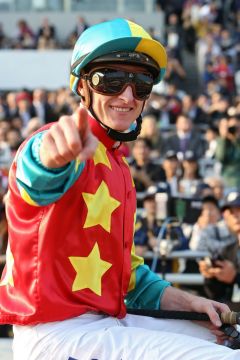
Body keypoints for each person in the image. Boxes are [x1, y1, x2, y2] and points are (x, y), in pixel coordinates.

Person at [0, 18, 239, 360]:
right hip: (57, 335)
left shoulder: (119, 165)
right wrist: (50, 157)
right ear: (83, 87)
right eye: (110, 80)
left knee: (231, 339)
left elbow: (128, 277)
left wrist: (189, 302)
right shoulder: (55, 142)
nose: (127, 96)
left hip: (104, 323)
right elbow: (36, 177)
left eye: (140, 84)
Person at [190, 195, 238, 301]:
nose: (235, 216)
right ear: (225, 215)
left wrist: (235, 277)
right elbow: (215, 293)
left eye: (239, 210)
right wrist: (211, 275)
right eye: (231, 211)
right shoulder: (227, 250)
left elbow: (233, 278)